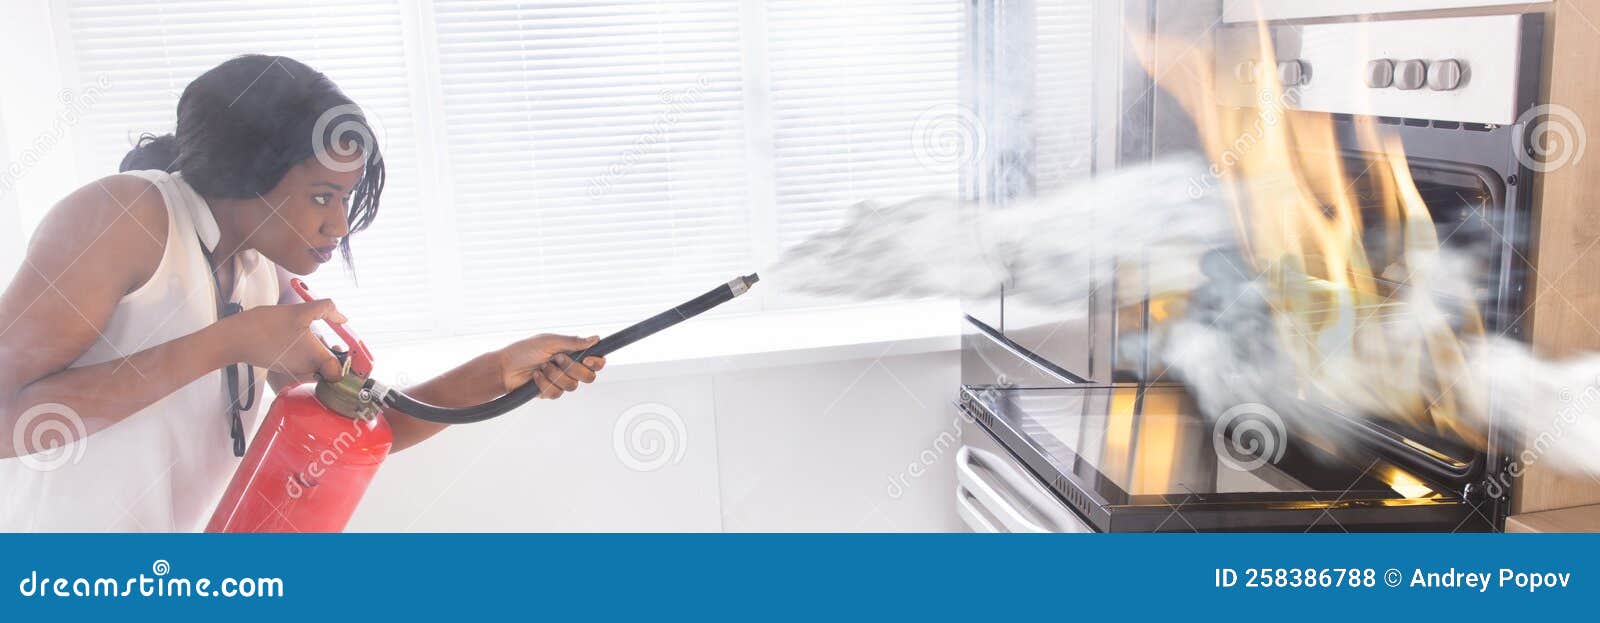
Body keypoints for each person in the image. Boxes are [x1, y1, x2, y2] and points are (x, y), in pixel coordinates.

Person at [0, 55, 604, 531]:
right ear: (245, 172)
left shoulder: (262, 270)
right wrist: (226, 344)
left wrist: (501, 372)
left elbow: (355, 434)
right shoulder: (123, 217)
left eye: (347, 197)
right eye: (322, 196)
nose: (339, 225)